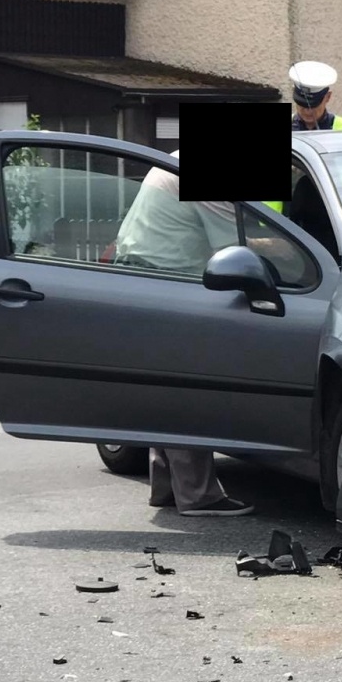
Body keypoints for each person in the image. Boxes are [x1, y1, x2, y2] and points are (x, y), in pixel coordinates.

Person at [112, 157, 255, 516]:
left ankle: (166, 486)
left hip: (142, 280)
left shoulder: (175, 159)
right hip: (169, 284)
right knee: (190, 391)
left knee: (169, 389)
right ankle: (199, 495)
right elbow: (234, 248)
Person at [265, 62, 342, 214]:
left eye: (313, 105)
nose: (307, 111)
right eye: (301, 104)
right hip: (280, 222)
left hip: (329, 219)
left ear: (328, 97)